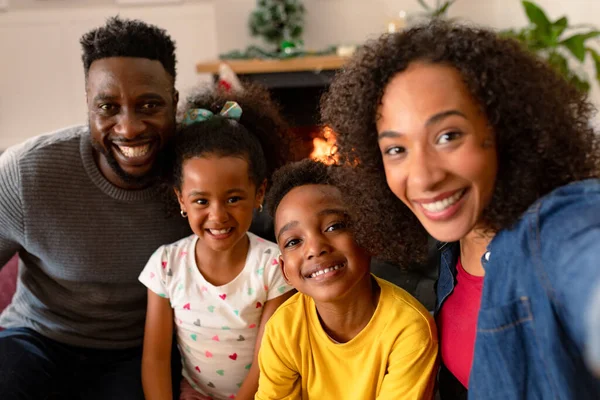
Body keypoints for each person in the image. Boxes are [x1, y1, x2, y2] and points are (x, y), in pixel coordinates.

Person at [321, 22, 600, 399]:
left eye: (448, 136)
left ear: (502, 130)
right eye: (396, 150)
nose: (422, 178)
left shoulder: (555, 225)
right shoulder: (446, 254)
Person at [0, 16, 191, 399]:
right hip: (37, 336)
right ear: (88, 105)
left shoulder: (200, 171)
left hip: (141, 350)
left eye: (149, 105)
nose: (129, 127)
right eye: (108, 107)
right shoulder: (27, 172)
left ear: (174, 101)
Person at [139, 84, 295, 400]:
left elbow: (270, 360)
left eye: (233, 198)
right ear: (180, 198)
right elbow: (155, 358)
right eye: (200, 201)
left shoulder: (274, 266)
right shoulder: (166, 265)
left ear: (259, 193)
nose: (218, 216)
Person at [256, 159, 438, 399]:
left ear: (368, 235)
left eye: (333, 227)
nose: (315, 248)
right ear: (285, 271)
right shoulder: (283, 329)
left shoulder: (408, 329)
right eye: (294, 241)